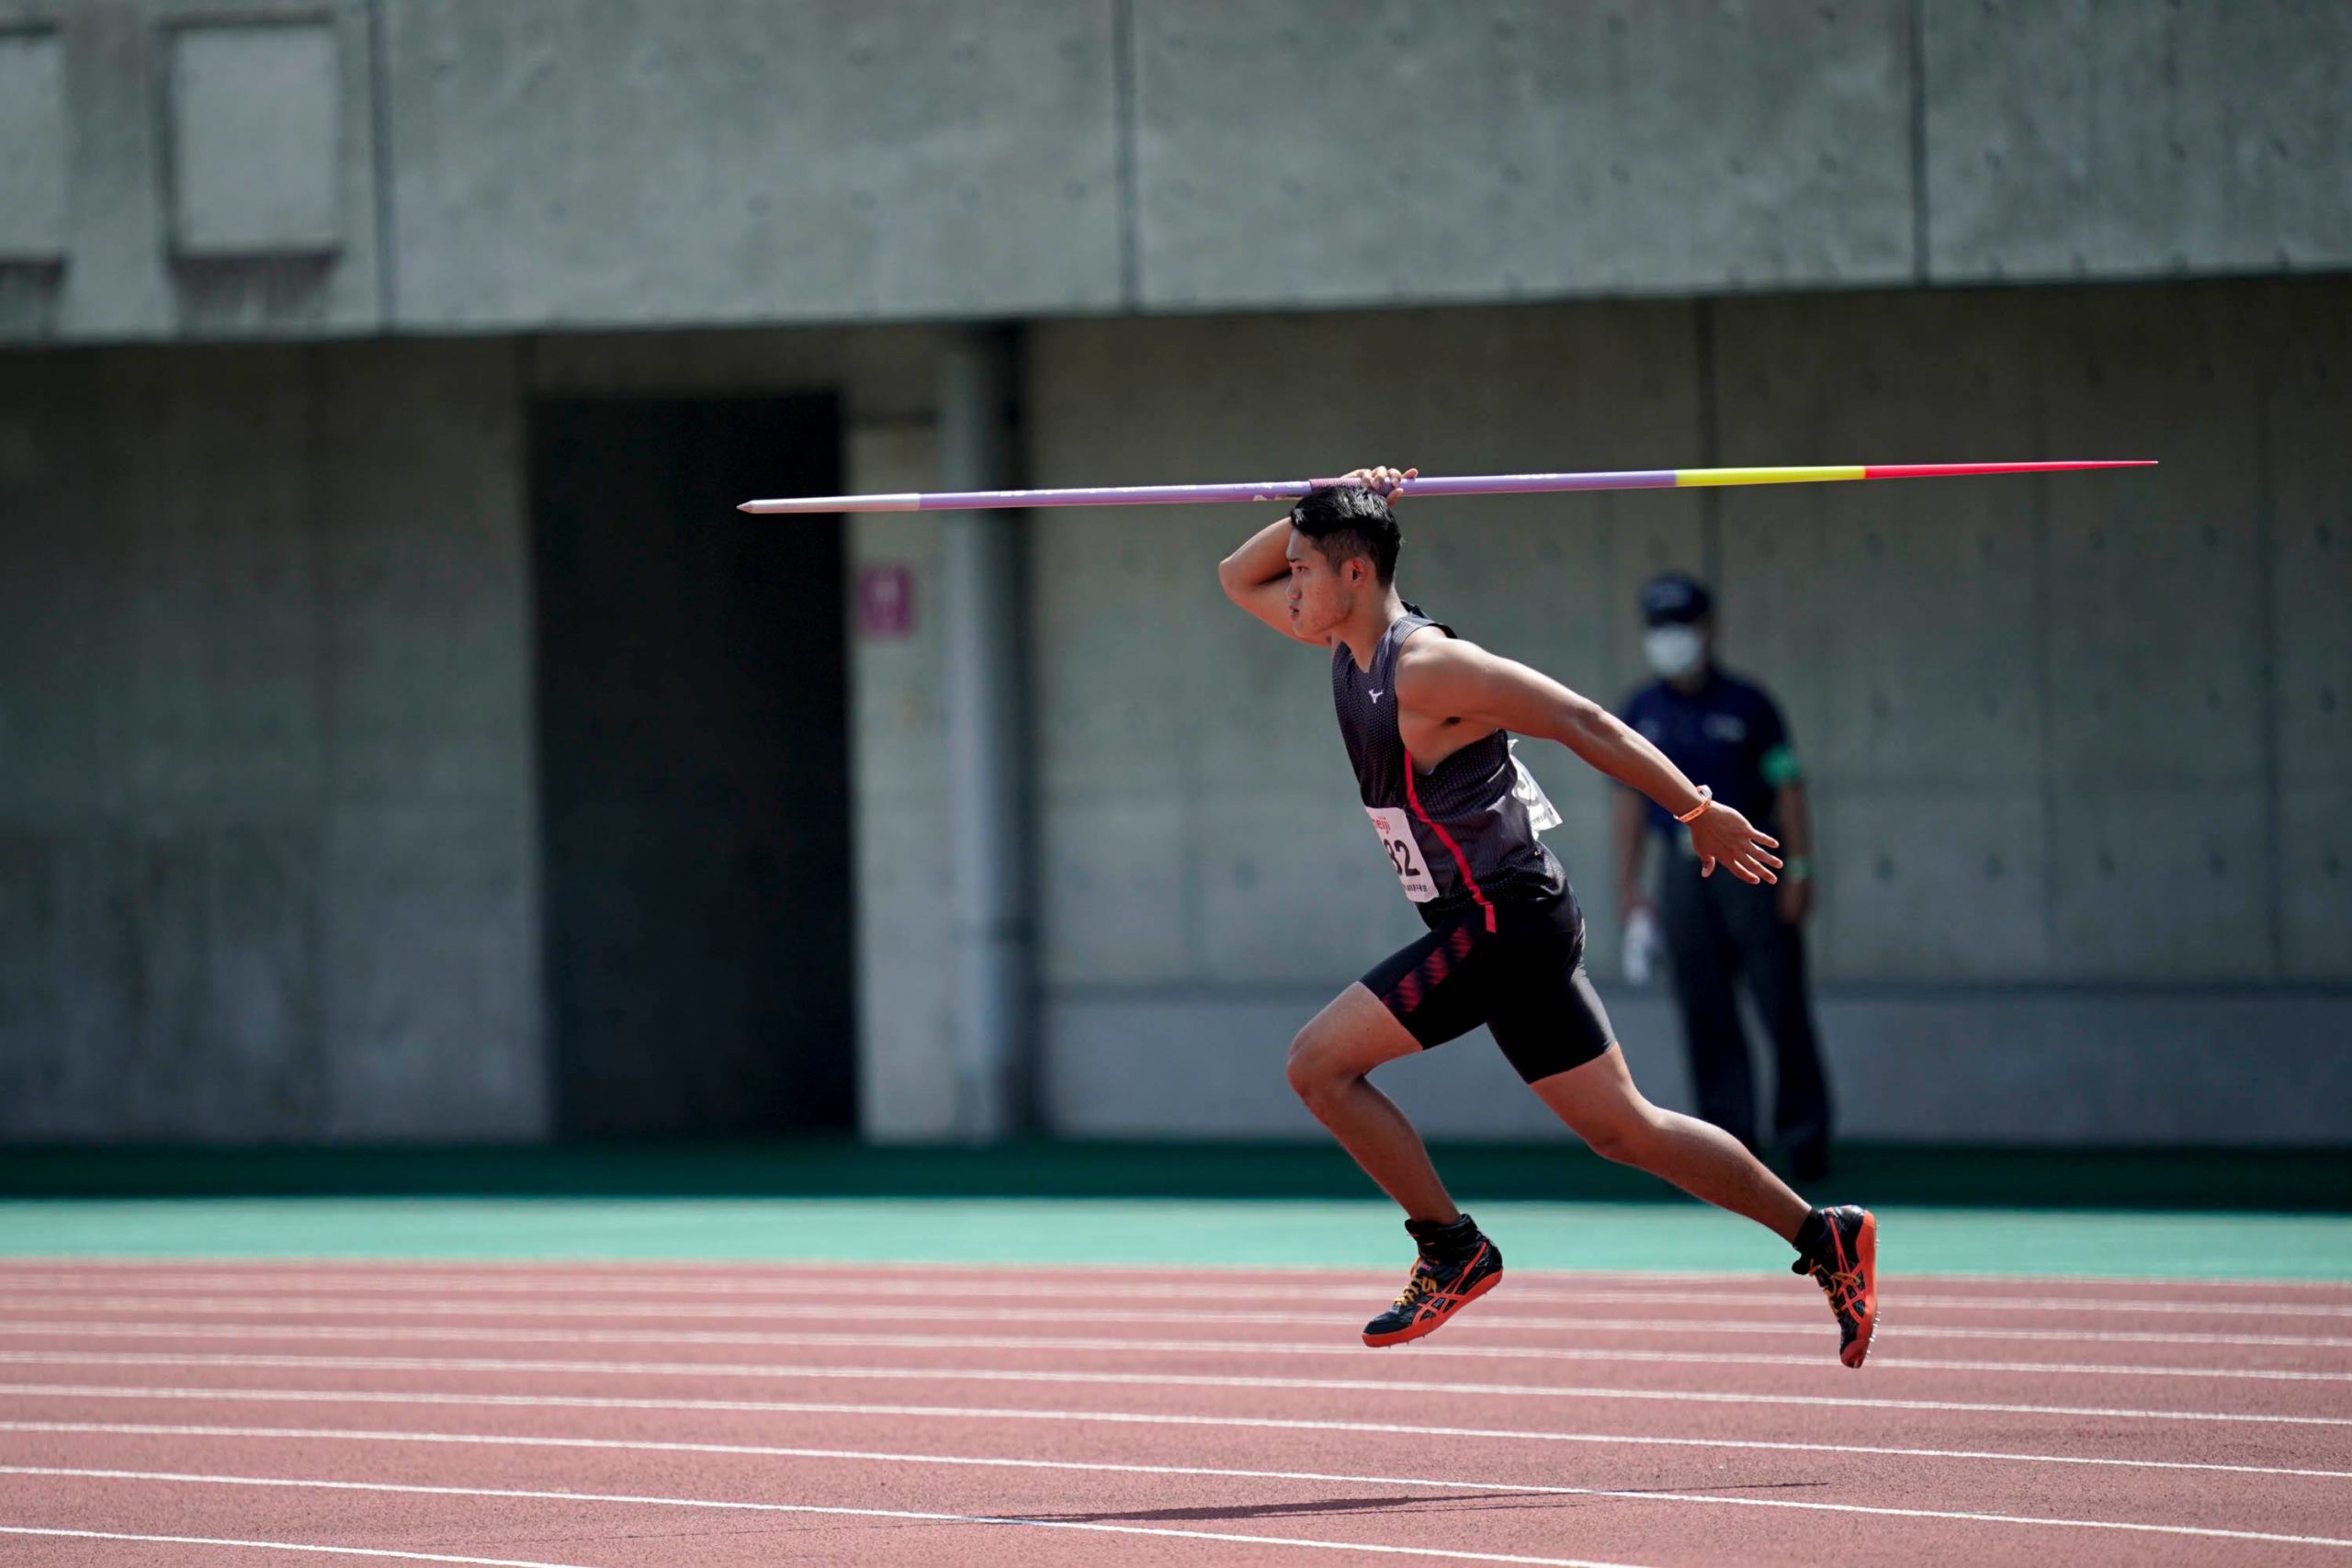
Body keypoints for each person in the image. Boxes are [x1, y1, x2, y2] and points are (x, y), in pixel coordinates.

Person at [1216, 466, 1876, 1368]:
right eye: (1290, 569)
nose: (1286, 587)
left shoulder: (1430, 667)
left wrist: (1696, 811)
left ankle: (1451, 1248)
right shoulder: (1346, 653)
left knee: (1317, 1068)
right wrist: (1320, 501)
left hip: (1501, 922)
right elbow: (1233, 577)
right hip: (1497, 922)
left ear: (1357, 575)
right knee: (1623, 1129)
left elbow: (1581, 718)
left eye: (1303, 569)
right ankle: (1820, 1233)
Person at [1613, 574, 1833, 1181]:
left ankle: (1805, 1139)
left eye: (1681, 624)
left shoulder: (1749, 704)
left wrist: (1801, 869)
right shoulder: (1641, 709)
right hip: (1681, 870)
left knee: (1780, 1001)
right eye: (1658, 626)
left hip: (1752, 863)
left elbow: (1788, 787)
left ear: (1708, 627)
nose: (1670, 638)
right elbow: (1629, 805)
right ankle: (1730, 1147)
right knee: (1704, 1008)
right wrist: (1632, 889)